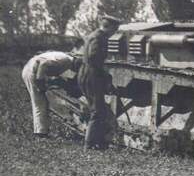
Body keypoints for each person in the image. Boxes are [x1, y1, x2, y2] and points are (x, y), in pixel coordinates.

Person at [78, 14, 121, 150]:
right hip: (92, 75)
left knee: (97, 109)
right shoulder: (99, 37)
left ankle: (98, 142)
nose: (114, 33)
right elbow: (93, 57)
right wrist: (106, 76)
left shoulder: (93, 35)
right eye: (115, 29)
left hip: (86, 73)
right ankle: (89, 145)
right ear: (109, 27)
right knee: (97, 111)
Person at [22, 42, 83, 138]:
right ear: (76, 65)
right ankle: (40, 133)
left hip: (34, 69)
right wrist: (40, 82)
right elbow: (43, 64)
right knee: (40, 102)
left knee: (42, 102)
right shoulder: (66, 61)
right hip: (33, 71)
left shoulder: (66, 59)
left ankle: (42, 130)